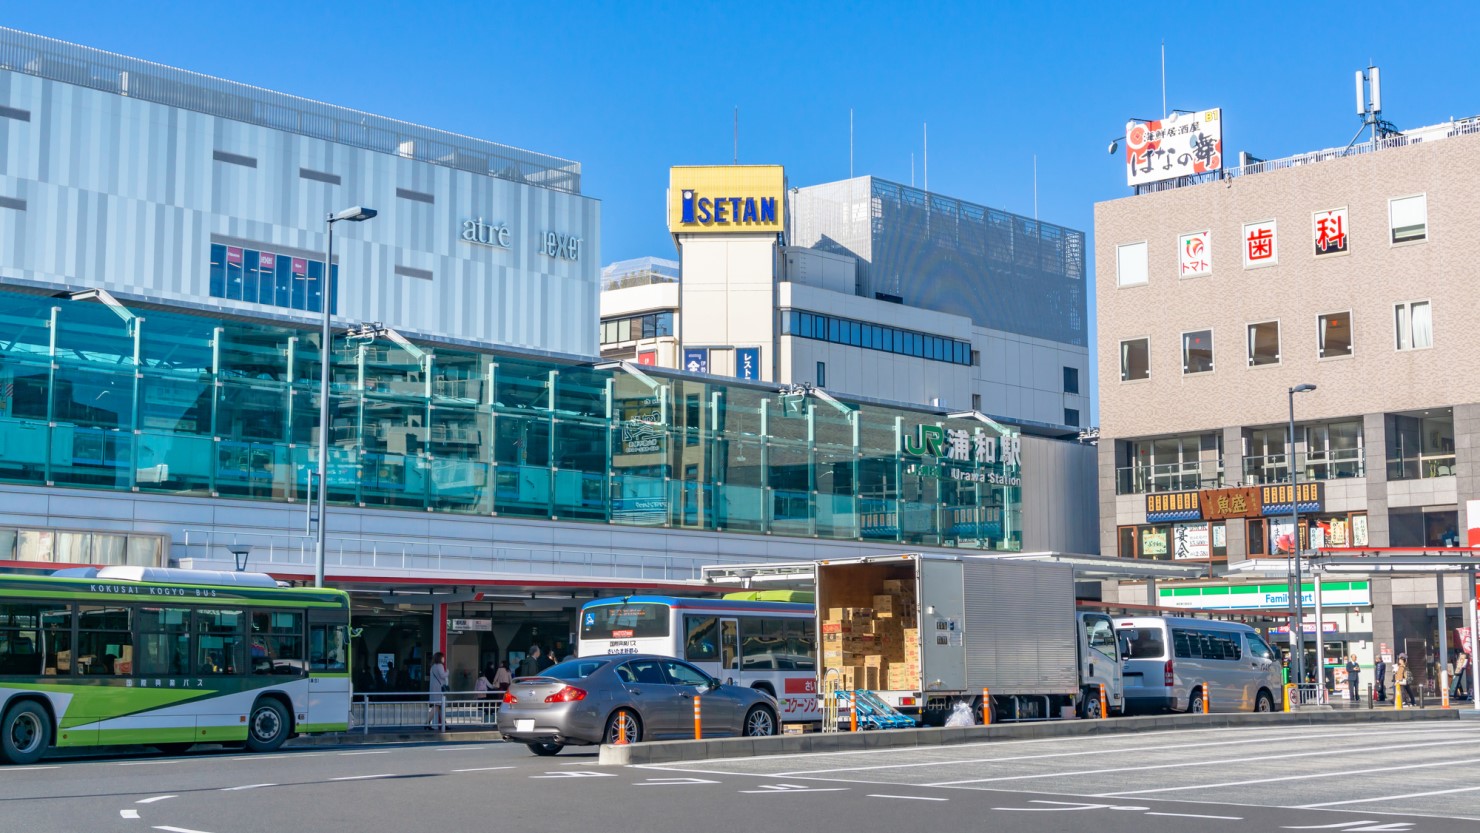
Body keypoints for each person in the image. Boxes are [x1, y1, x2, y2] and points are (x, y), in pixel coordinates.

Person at [427, 651, 448, 730]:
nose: (444, 659)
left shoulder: (433, 667)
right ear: (440, 658)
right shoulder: (440, 666)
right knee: (437, 706)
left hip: (434, 689)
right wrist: (447, 672)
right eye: (443, 657)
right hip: (439, 689)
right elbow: (443, 675)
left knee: (439, 707)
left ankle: (443, 723)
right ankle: (427, 722)